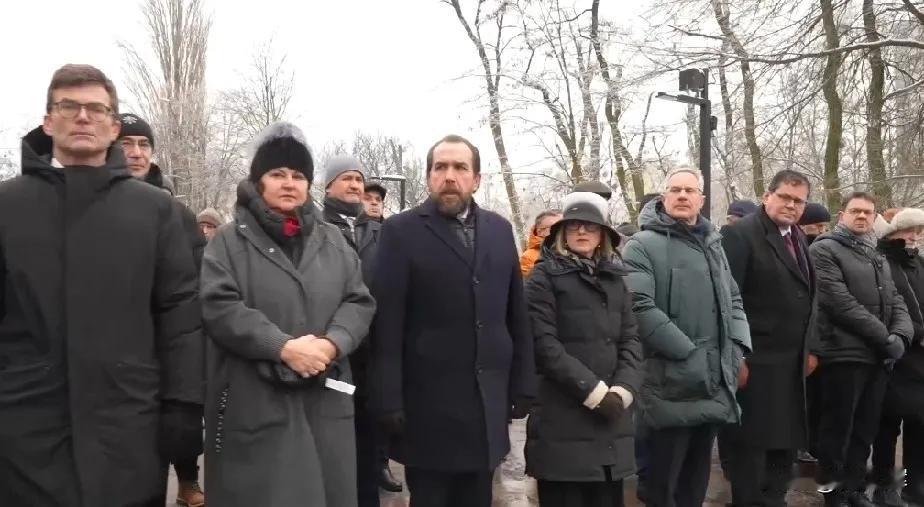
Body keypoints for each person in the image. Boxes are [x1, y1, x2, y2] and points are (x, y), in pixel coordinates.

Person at [0, 64, 203, 506]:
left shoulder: (155, 211)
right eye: (68, 106)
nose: (82, 116)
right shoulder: (7, 206)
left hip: (127, 426)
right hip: (25, 431)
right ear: (48, 121)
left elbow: (179, 314)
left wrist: (184, 405)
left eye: (96, 109)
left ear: (113, 127)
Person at [200, 122, 376, 507]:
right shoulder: (228, 242)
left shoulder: (333, 241)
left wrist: (332, 344)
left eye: (298, 176)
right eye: (277, 174)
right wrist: (281, 347)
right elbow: (218, 305)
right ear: (258, 180)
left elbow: (358, 301)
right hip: (254, 400)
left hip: (324, 402)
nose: (289, 183)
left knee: (326, 491)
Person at [371, 134, 536, 507]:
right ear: (429, 177)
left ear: (476, 179)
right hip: (427, 407)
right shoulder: (401, 231)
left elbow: (516, 312)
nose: (449, 176)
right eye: (440, 167)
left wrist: (524, 381)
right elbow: (388, 322)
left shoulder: (499, 230)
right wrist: (388, 397)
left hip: (486, 405)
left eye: (460, 167)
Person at [622, 168, 751, 507]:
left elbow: (733, 299)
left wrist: (738, 348)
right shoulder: (641, 245)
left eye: (689, 190)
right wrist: (687, 353)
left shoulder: (713, 245)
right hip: (668, 382)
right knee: (662, 485)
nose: (682, 195)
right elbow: (638, 305)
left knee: (695, 483)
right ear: (664, 197)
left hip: (713, 380)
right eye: (675, 189)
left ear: (701, 199)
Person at [524, 191, 642, 507]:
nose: (581, 231)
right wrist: (594, 393)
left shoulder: (615, 280)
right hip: (562, 423)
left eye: (590, 226)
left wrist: (622, 391)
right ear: (561, 232)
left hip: (611, 426)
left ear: (602, 234)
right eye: (573, 225)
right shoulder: (543, 278)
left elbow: (631, 339)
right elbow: (544, 345)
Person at [116, 111, 208, 507]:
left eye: (144, 145)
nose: (136, 153)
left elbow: (197, 289)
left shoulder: (178, 215)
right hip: (113, 352)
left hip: (167, 347)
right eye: (126, 144)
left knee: (175, 431)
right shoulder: (90, 208)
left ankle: (187, 481)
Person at [721, 170, 819, 507]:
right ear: (767, 196)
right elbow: (727, 300)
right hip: (755, 362)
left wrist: (811, 348)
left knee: (785, 446)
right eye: (785, 197)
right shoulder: (740, 235)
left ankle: (775, 500)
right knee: (751, 449)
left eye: (798, 201)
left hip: (792, 363)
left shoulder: (798, 237)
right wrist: (735, 357)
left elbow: (810, 297)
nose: (791, 205)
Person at [809, 191, 913, 507]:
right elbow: (839, 302)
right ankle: (833, 495)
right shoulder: (824, 249)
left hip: (877, 358)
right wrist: (886, 338)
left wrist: (901, 335)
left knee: (864, 429)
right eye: (856, 211)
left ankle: (853, 490)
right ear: (842, 215)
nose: (862, 216)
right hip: (843, 353)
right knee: (837, 430)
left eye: (868, 212)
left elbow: (895, 299)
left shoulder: (874, 253)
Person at [321, 155, 402, 503]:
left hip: (374, 355)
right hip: (333, 354)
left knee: (368, 443)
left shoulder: (383, 233)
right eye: (346, 178)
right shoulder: (315, 229)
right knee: (334, 447)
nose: (355, 185)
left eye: (358, 178)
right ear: (328, 187)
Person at [870, 208, 924, 506]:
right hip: (893, 354)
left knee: (919, 424)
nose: (914, 236)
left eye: (919, 231)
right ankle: (884, 486)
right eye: (909, 230)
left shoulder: (919, 263)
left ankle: (915, 485)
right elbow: (885, 308)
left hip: (920, 362)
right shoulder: (881, 263)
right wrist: (917, 333)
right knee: (886, 426)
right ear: (893, 233)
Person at [520, 210, 563, 279]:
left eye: (563, 226)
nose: (561, 231)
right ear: (540, 232)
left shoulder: (573, 249)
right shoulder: (528, 257)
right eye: (555, 227)